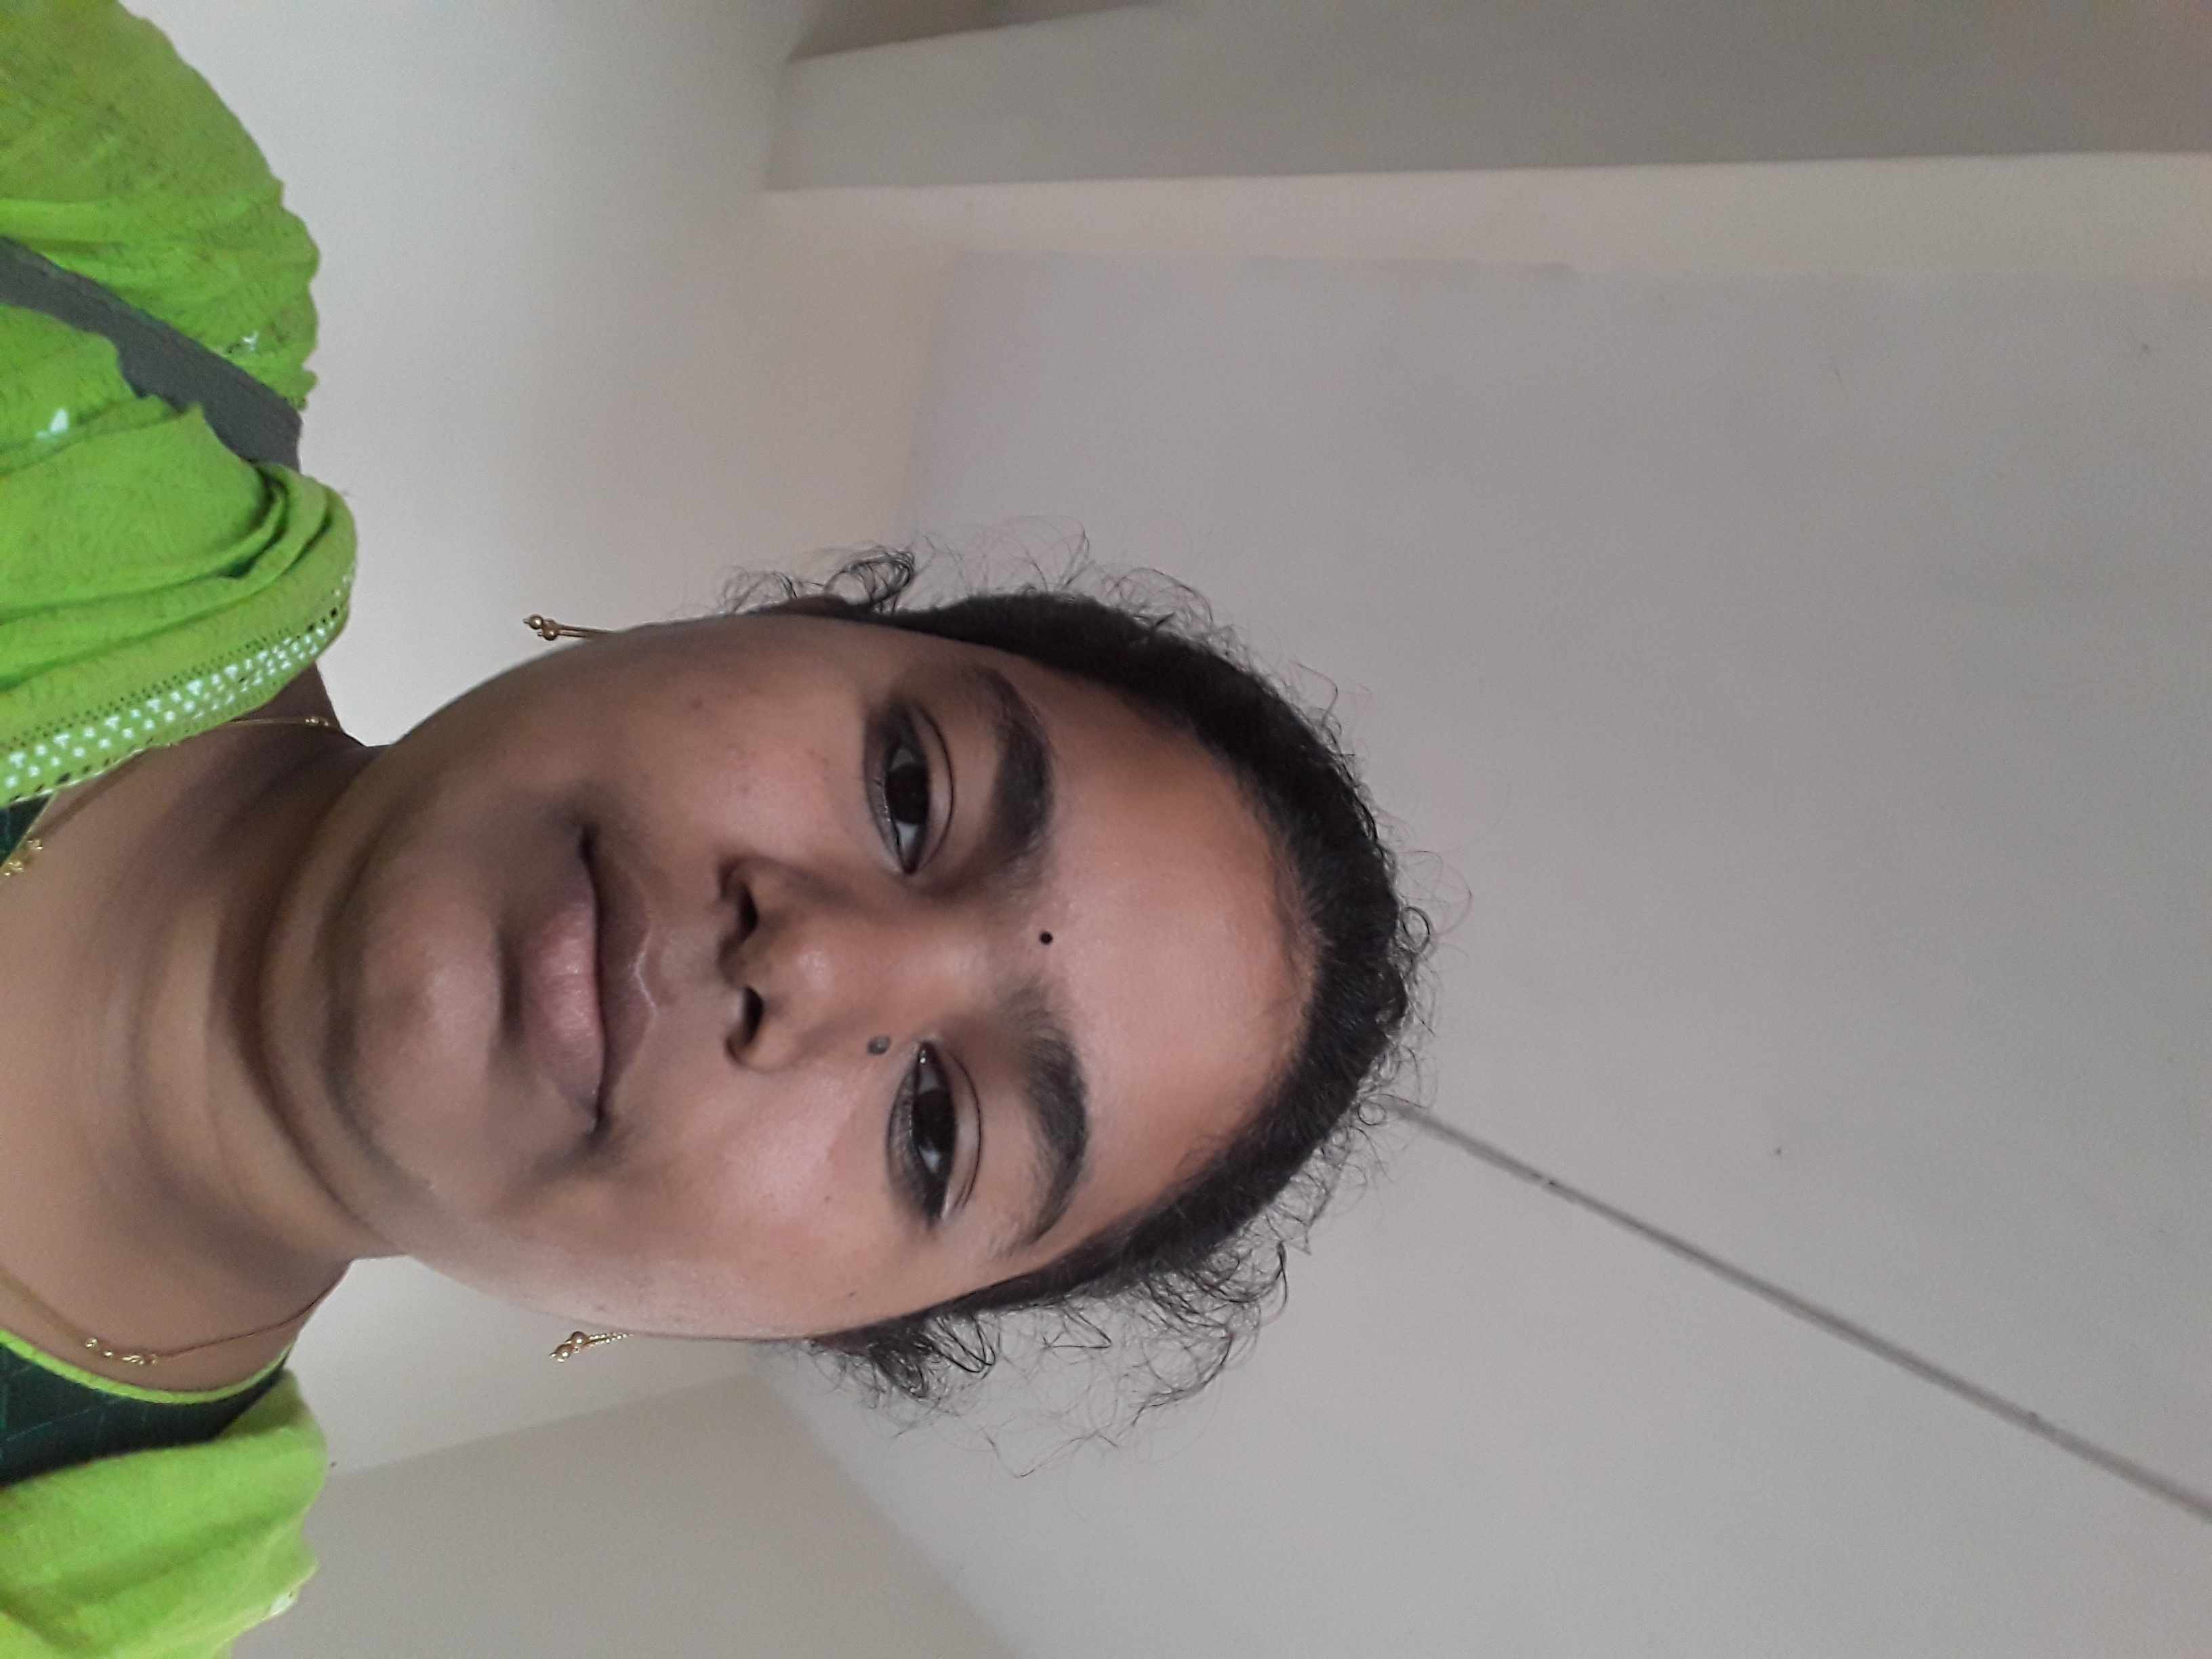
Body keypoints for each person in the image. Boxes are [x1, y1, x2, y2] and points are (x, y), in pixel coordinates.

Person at [0, 3, 1425, 1652]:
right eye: (913, 793)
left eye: (935, 1133)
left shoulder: (83, 1596)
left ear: (803, 1322)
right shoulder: (129, 255)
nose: (811, 961)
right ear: (774, 625)